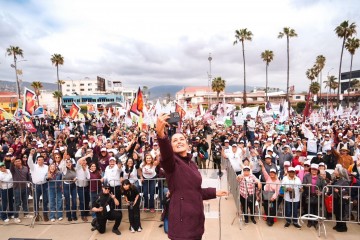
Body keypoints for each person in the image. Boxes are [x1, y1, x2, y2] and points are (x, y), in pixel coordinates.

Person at [155, 114, 227, 240]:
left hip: (196, 222)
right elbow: (166, 154)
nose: (179, 142)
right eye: (175, 140)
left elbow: (196, 191)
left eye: (182, 139)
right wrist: (161, 136)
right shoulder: (171, 164)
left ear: (188, 144)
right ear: (171, 146)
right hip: (182, 225)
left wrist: (215, 192)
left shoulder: (192, 163)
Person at [28, 150, 49, 222]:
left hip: (45, 185)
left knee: (45, 201)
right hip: (36, 186)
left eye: (42, 160)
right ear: (37, 161)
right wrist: (31, 154)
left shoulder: (47, 167)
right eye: (39, 160)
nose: (41, 161)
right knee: (36, 201)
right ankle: (36, 215)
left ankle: (45, 215)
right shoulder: (33, 167)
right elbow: (29, 162)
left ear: (44, 160)